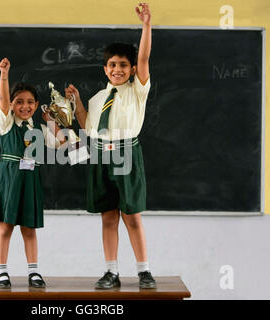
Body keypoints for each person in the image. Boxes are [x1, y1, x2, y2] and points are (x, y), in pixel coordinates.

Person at [65, 3, 156, 289]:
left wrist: (146, 25)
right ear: (106, 69)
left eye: (123, 65)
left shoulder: (137, 89)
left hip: (127, 153)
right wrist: (77, 102)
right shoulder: (98, 98)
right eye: (113, 65)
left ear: (132, 69)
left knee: (132, 216)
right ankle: (112, 271)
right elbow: (87, 125)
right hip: (100, 157)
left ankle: (144, 271)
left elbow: (144, 57)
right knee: (108, 217)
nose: (118, 69)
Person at [0, 57, 64, 289]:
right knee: (6, 227)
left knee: (29, 228)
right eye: (19, 102)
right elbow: (2, 99)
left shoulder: (38, 129)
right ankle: (1, 272)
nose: (24, 106)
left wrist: (51, 121)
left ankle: (34, 272)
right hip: (9, 178)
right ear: (12, 105)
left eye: (30, 102)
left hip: (30, 179)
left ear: (37, 105)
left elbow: (61, 143)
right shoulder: (7, 122)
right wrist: (4, 75)